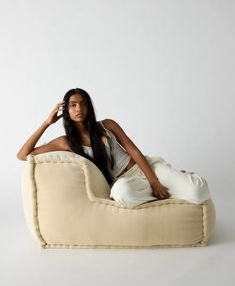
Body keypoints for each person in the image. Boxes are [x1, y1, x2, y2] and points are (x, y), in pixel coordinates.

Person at [17, 88, 211, 207]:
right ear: (65, 110)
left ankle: (179, 180)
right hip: (122, 182)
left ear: (89, 107)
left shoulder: (107, 125)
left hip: (146, 169)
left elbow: (134, 151)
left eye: (83, 104)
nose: (79, 109)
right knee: (122, 195)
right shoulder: (65, 142)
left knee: (198, 192)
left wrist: (154, 182)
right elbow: (23, 155)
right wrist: (46, 122)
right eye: (73, 105)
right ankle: (171, 189)